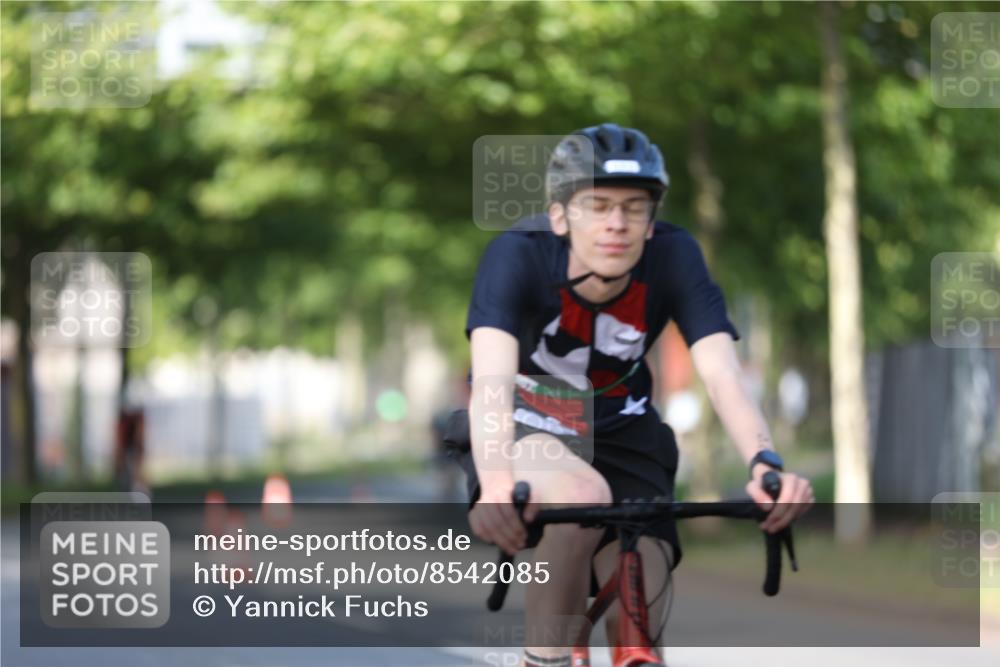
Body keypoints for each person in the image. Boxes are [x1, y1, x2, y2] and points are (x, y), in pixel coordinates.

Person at [455, 123, 814, 667]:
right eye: (596, 205)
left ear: (651, 220)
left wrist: (765, 463)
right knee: (580, 496)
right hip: (532, 419)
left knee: (639, 586)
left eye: (634, 207)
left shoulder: (674, 255)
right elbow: (491, 386)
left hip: (627, 426)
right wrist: (499, 485)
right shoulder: (517, 255)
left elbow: (720, 370)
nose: (616, 224)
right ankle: (544, 659)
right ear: (560, 217)